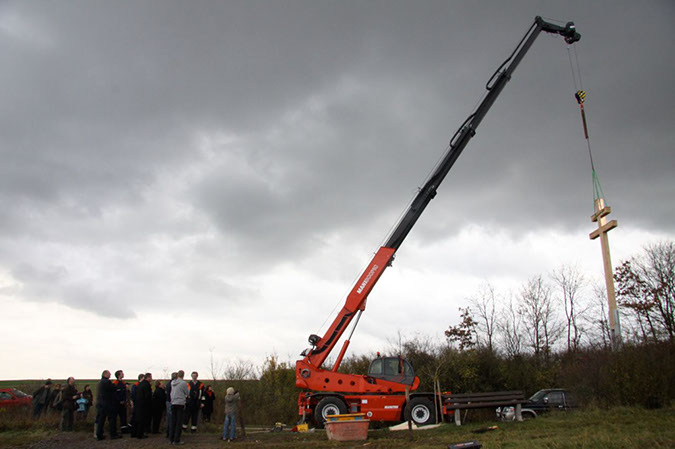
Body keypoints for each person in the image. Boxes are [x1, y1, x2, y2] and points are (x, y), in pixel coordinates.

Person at [95, 370, 121, 441]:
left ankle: (99, 434)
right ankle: (113, 434)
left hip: (101, 403)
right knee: (112, 418)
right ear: (105, 374)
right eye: (109, 374)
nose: (110, 375)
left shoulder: (100, 382)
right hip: (108, 403)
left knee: (101, 419)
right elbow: (113, 388)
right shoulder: (107, 382)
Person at [169, 370, 188, 445]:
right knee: (179, 422)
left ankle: (171, 438)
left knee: (173, 421)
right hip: (180, 403)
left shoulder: (172, 383)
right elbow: (187, 392)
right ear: (183, 375)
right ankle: (177, 439)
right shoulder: (183, 383)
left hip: (173, 402)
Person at [132, 373, 152, 439]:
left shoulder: (140, 384)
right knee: (142, 420)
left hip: (138, 404)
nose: (151, 379)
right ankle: (140, 434)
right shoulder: (147, 385)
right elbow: (148, 396)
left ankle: (135, 433)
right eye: (151, 377)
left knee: (137, 419)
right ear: (148, 378)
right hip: (144, 405)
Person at [165, 372, 177, 438]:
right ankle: (171, 433)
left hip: (168, 401)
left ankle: (168, 432)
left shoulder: (168, 384)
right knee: (171, 418)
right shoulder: (173, 384)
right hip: (171, 401)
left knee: (168, 418)